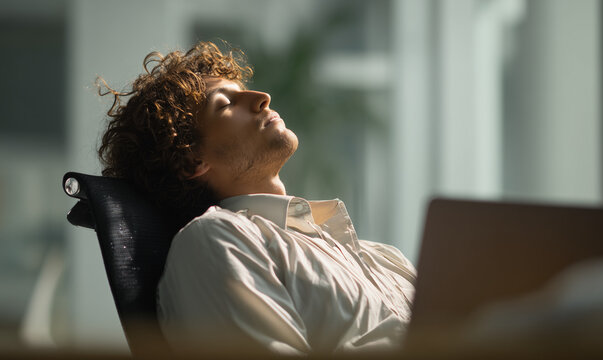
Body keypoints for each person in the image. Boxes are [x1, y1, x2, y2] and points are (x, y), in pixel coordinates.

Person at [98, 41, 416, 355]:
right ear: (191, 161)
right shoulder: (217, 240)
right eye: (225, 104)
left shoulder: (385, 257)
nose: (262, 98)